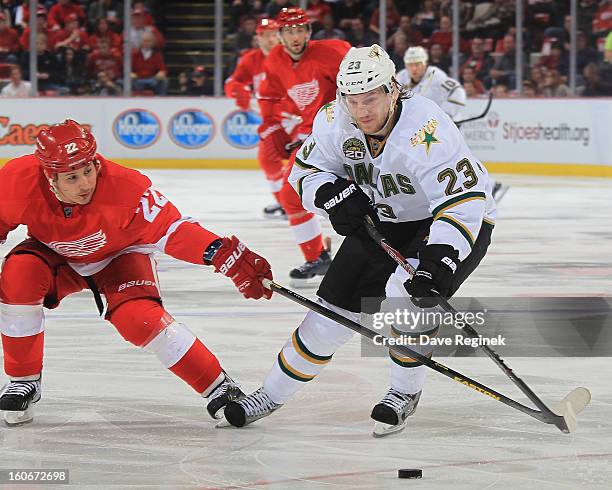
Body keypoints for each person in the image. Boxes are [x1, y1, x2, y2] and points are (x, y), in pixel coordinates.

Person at [223, 44, 496, 435]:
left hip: (452, 222)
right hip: (385, 219)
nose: (362, 111)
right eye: (352, 100)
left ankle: (403, 392)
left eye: (370, 99)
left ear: (393, 90)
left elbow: (462, 200)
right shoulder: (335, 121)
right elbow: (305, 173)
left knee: (408, 297)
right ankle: (270, 393)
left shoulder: (426, 129)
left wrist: (439, 261)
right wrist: (331, 194)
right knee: (329, 316)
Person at [0, 120, 273, 426]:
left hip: (120, 256)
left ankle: (219, 387)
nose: (85, 184)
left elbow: (172, 229)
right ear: (50, 177)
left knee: (139, 319)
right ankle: (23, 380)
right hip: (55, 255)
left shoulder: (126, 187)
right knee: (18, 275)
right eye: (72, 177)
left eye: (88, 170)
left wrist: (221, 253)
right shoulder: (16, 181)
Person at [257, 7, 351, 286]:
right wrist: (271, 125)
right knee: (290, 193)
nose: (295, 36)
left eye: (300, 30)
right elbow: (269, 97)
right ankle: (317, 256)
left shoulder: (335, 52)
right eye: (289, 31)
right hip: (312, 135)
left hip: (350, 134)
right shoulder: (275, 59)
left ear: (309, 32)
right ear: (280, 35)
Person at [224, 18, 290, 219]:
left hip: (300, 117)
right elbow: (232, 82)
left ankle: (296, 200)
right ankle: (285, 202)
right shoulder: (250, 59)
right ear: (258, 38)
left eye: (273, 34)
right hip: (273, 119)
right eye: (265, 35)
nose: (269, 39)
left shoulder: (291, 56)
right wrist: (238, 91)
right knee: (268, 160)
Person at [396, 46, 466, 120]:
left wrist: (446, 114)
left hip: (437, 123)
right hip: (416, 122)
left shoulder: (436, 76)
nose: (414, 68)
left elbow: (457, 91)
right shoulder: (401, 76)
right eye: (410, 65)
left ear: (425, 64)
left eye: (417, 64)